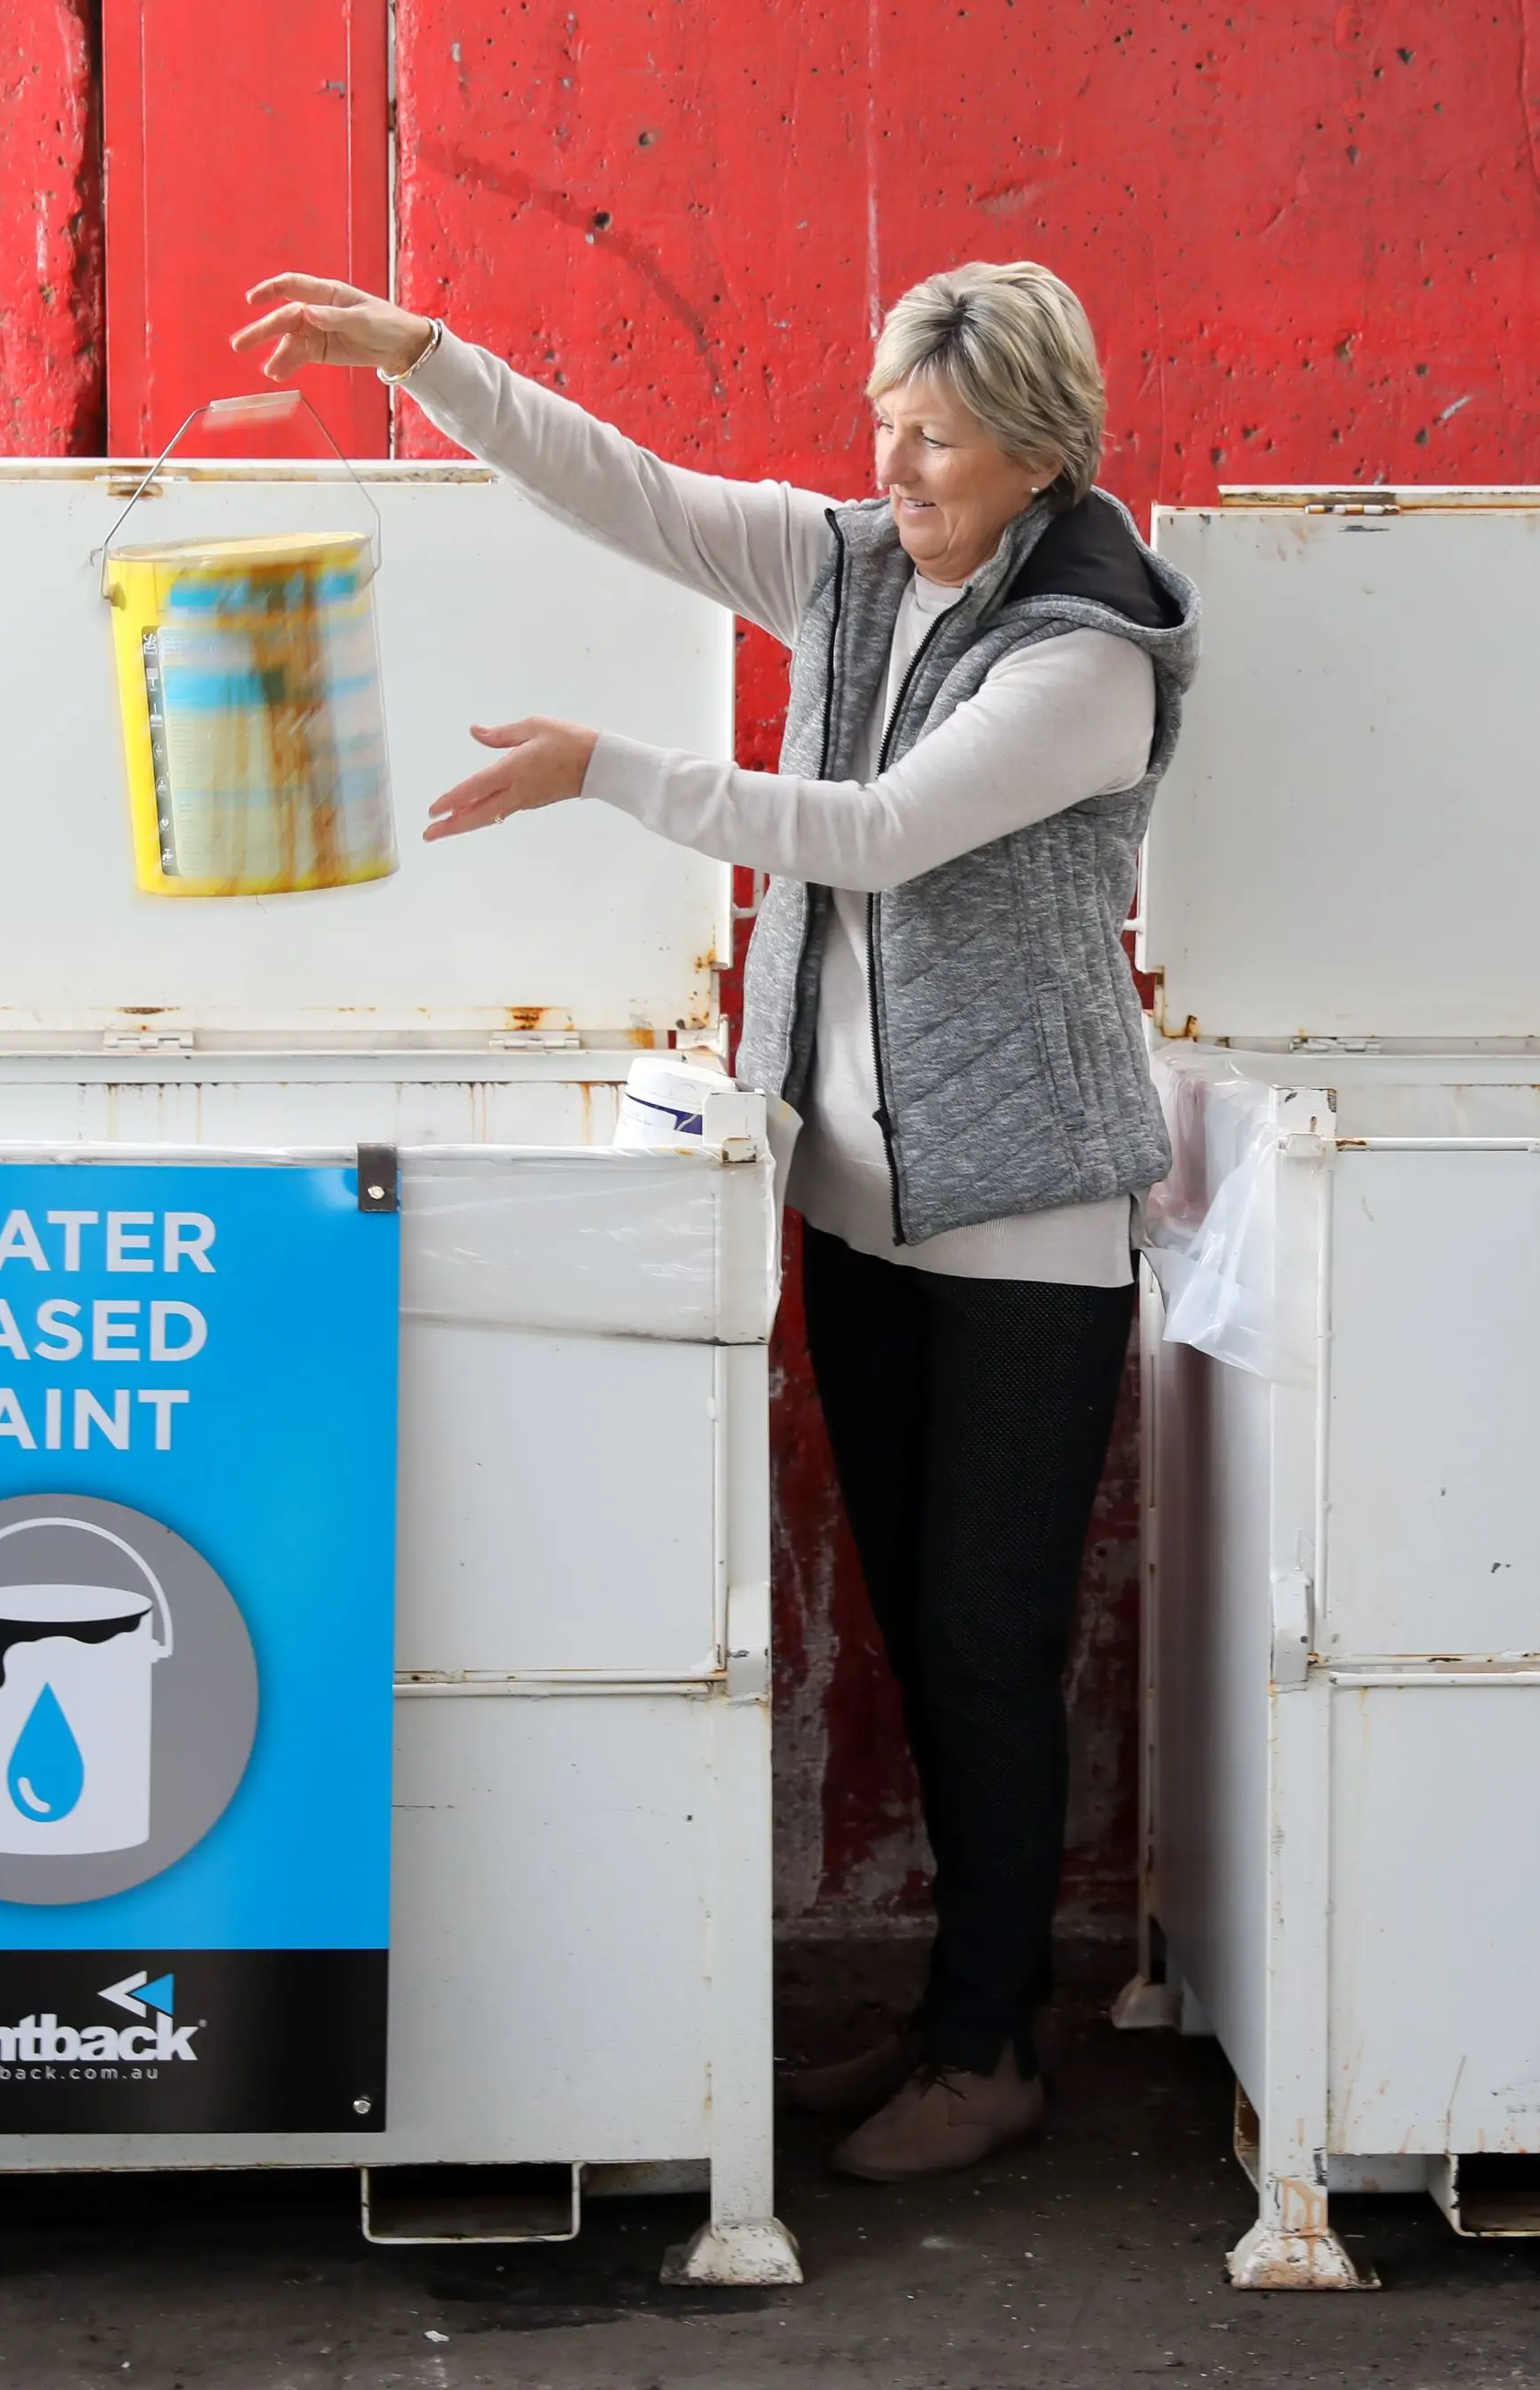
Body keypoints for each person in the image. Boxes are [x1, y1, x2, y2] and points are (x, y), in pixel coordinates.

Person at [230, 262, 1198, 2181]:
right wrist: (427, 354)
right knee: (919, 1636)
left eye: (928, 433)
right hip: (853, 1198)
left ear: (1033, 449)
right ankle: (947, 2011)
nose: (886, 458)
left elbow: (875, 830)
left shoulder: (1086, 653)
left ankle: (998, 2044)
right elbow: (631, 493)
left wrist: (607, 771)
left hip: (1022, 1222)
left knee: (986, 1638)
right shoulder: (856, 561)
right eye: (879, 418)